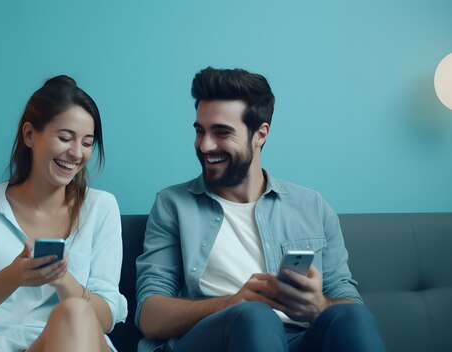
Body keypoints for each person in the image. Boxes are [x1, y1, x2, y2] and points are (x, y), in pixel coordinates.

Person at [135, 67, 386, 352]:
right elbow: (149, 316)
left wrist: (319, 306)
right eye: (200, 131)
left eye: (221, 132)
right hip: (215, 338)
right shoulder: (173, 204)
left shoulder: (312, 206)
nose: (205, 145)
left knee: (352, 317)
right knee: (256, 317)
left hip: (300, 339)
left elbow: (347, 298)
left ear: (260, 134)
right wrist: (232, 303)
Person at [0, 75, 127, 352]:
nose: (76, 153)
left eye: (87, 143)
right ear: (29, 135)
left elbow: (105, 319)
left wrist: (62, 279)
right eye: (65, 138)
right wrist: (13, 276)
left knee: (73, 311)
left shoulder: (101, 207)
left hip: (73, 339)